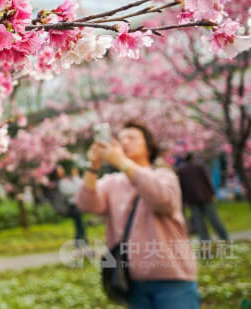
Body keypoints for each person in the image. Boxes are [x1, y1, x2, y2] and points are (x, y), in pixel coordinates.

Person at [77, 121, 199, 309]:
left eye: (132, 138)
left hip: (173, 279)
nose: (125, 142)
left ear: (149, 147)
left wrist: (122, 163)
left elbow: (163, 200)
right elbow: (86, 203)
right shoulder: (112, 183)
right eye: (121, 138)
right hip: (133, 281)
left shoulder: (164, 176)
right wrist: (93, 166)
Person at [176, 153, 229, 242]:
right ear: (192, 158)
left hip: (191, 200)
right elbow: (207, 181)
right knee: (214, 219)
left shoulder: (181, 171)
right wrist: (212, 194)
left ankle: (205, 241)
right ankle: (224, 238)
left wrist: (184, 200)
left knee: (199, 222)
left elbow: (181, 187)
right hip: (205, 197)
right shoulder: (199, 167)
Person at [56, 165, 87, 247]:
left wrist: (75, 178)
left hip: (78, 206)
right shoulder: (62, 183)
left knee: (81, 225)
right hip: (73, 207)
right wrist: (76, 178)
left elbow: (81, 186)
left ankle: (83, 241)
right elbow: (76, 189)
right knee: (79, 225)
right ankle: (80, 242)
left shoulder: (70, 180)